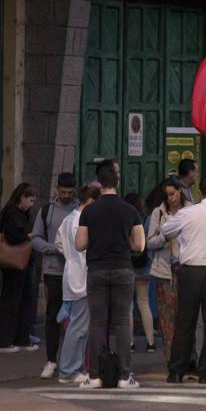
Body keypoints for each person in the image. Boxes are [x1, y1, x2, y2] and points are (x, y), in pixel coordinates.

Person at [76, 163, 145, 389]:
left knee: (97, 323)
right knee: (122, 322)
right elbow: (140, 245)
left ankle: (95, 375)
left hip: (96, 270)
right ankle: (125, 376)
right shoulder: (130, 211)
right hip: (123, 269)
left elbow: (80, 244)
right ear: (117, 182)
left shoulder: (89, 211)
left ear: (99, 183)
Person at [163, 174, 206, 384]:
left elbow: (166, 230)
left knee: (185, 322)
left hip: (191, 271)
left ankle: (176, 371)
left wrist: (185, 238)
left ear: (201, 192)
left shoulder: (188, 212)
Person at [32, 173, 79, 379]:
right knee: (53, 315)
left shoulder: (79, 211)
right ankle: (51, 359)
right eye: (63, 192)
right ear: (57, 189)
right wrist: (52, 249)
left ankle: (71, 360)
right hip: (54, 270)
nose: (66, 195)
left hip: (76, 271)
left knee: (75, 318)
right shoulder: (47, 211)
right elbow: (35, 238)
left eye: (70, 192)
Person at [54, 185, 101, 383]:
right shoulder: (80, 221)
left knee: (78, 325)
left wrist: (68, 255)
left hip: (72, 274)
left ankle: (74, 367)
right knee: (78, 327)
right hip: (81, 278)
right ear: (90, 202)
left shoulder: (68, 219)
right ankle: (68, 369)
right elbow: (82, 252)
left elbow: (58, 242)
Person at [146, 178, 192, 362]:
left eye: (173, 193)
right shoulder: (159, 213)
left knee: (187, 316)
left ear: (180, 191)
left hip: (187, 268)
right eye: (167, 195)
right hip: (165, 270)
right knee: (167, 318)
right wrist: (164, 236)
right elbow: (150, 242)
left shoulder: (191, 210)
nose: (170, 198)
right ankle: (172, 359)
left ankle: (189, 357)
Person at [0, 183, 39, 353]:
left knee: (24, 300)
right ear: (22, 197)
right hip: (14, 264)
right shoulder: (12, 214)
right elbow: (12, 236)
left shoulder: (21, 214)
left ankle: (21, 337)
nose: (32, 205)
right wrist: (28, 235)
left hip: (23, 263)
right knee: (11, 301)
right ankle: (3, 340)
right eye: (30, 200)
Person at [124, 193, 155, 353]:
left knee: (128, 306)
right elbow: (149, 244)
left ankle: (130, 343)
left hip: (127, 266)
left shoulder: (124, 220)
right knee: (144, 303)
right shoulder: (147, 220)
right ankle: (150, 342)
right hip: (144, 267)